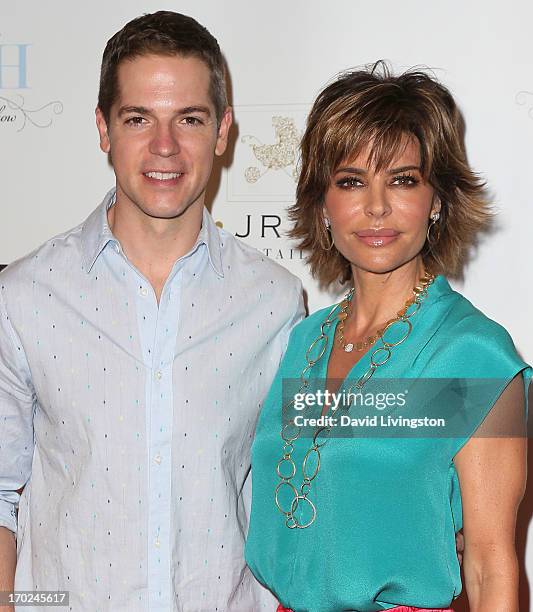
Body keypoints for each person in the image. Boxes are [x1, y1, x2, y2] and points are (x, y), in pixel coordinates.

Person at [0, 11, 304, 611]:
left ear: (223, 131)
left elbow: (293, 493)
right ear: (104, 129)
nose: (164, 147)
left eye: (188, 119)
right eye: (138, 118)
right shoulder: (25, 295)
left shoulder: (275, 302)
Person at [245, 63, 530, 612]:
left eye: (403, 180)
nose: (376, 207)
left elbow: (492, 567)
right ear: (323, 205)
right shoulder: (305, 341)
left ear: (438, 199)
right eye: (351, 181)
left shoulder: (472, 355)